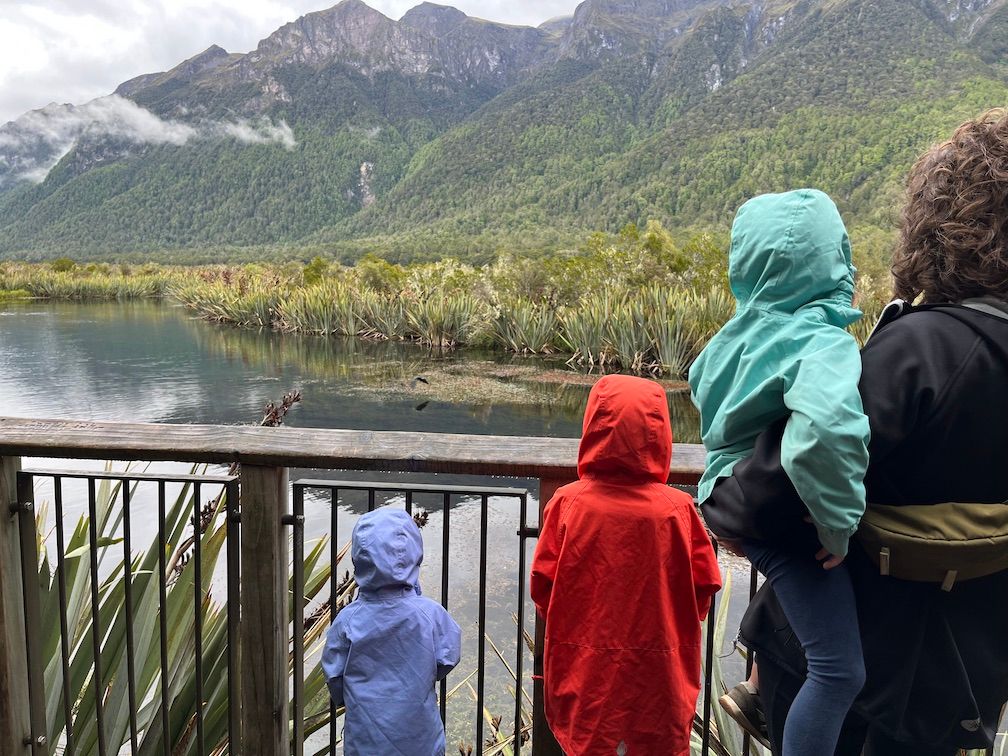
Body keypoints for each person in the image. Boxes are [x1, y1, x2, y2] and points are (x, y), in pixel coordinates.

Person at [703, 108, 1008, 754]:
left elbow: (781, 478)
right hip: (962, 677)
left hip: (858, 681)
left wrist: (722, 509)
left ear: (944, 221)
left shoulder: (923, 350)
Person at [688, 188, 871, 756]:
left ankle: (760, 685)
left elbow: (699, 383)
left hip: (723, 494)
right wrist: (837, 527)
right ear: (832, 260)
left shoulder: (735, 336)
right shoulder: (819, 343)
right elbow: (826, 435)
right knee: (839, 672)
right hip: (778, 518)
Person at [530, 374, 722, 755]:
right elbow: (703, 590)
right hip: (659, 675)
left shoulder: (568, 504)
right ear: (660, 431)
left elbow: (543, 586)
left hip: (585, 668)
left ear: (594, 425)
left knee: (588, 741)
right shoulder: (678, 510)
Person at [322, 507, 461, 756]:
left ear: (359, 558)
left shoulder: (347, 620)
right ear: (414, 553)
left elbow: (334, 674)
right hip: (421, 739)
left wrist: (351, 697)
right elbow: (448, 657)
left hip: (365, 740)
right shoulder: (430, 614)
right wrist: (423, 676)